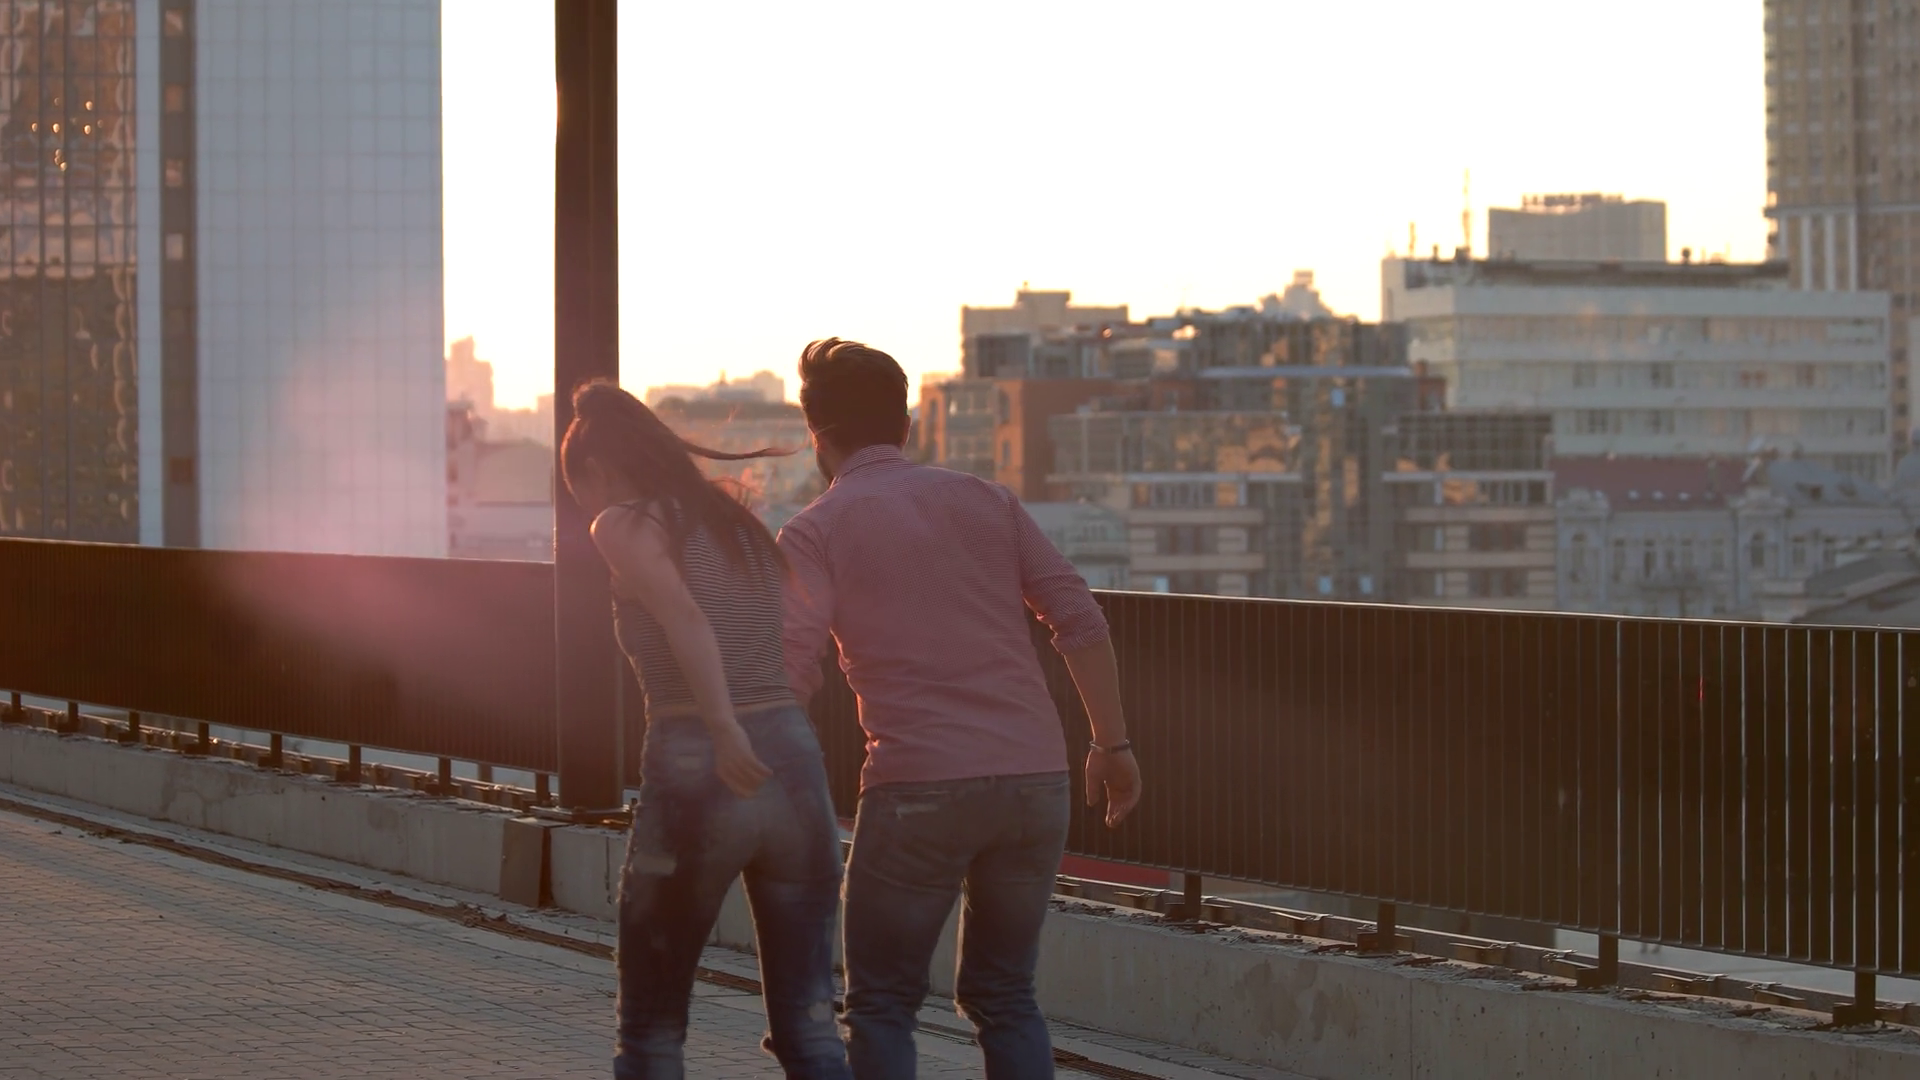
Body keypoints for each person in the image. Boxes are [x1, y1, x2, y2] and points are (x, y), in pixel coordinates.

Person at [778, 339, 1143, 1079]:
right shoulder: (987, 500)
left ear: (816, 436)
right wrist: (1112, 745)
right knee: (1005, 994)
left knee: (882, 1001)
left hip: (917, 784)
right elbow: (1079, 618)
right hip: (1034, 780)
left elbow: (788, 669)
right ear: (906, 424)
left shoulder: (815, 529)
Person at [560, 381, 851, 1080]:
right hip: (793, 759)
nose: (587, 513)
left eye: (581, 496)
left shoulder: (623, 523)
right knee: (811, 1028)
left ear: (597, 472)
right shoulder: (731, 519)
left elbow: (684, 616)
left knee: (652, 1030)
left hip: (703, 754)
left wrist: (723, 729)